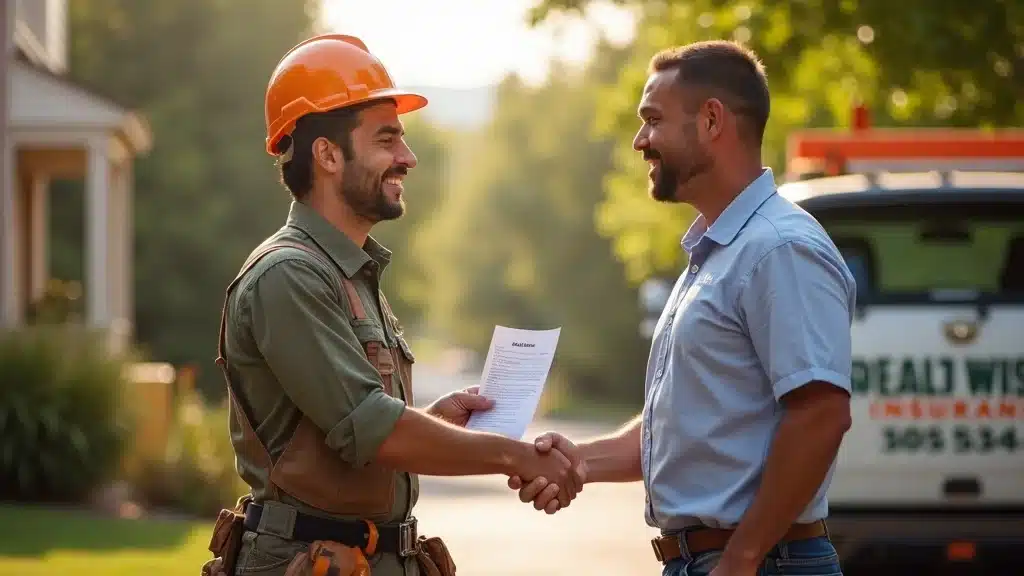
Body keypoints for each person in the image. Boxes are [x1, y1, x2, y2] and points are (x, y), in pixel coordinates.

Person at [202, 33, 584, 576]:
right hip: (307, 562)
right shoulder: (288, 275)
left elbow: (344, 436)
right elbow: (369, 426)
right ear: (327, 154)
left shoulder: (348, 274)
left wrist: (431, 421)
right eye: (387, 140)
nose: (408, 157)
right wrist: (513, 454)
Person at [509, 40, 857, 576]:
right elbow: (690, 425)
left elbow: (820, 414)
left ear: (712, 120)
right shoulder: (722, 251)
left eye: (653, 120)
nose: (639, 140)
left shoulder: (778, 249)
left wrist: (743, 555)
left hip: (763, 563)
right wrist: (577, 461)